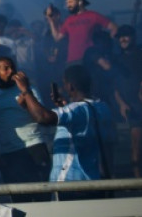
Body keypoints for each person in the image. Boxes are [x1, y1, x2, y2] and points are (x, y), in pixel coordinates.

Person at [14, 65, 112, 199]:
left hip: (71, 184)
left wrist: (26, 91)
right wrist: (62, 107)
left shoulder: (77, 109)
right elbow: (79, 125)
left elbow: (42, 117)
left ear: (70, 86)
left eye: (64, 83)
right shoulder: (101, 106)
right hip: (92, 180)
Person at [0, 57, 51, 201]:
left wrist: (26, 98)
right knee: (19, 199)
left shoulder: (29, 91)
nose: (10, 71)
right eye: (5, 68)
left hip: (35, 146)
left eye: (12, 67)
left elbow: (42, 117)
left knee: (42, 196)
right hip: (10, 154)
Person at [111, 25, 142, 178]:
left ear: (134, 36)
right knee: (136, 148)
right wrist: (121, 103)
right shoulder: (118, 60)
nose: (123, 39)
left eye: (126, 36)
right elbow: (115, 86)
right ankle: (139, 182)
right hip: (134, 109)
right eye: (120, 37)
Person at [45, 0, 118, 65]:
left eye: (70, 2)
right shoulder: (69, 20)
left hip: (89, 58)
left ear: (79, 2)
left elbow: (114, 27)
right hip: (72, 60)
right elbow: (57, 38)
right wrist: (51, 21)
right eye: (67, 3)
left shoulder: (92, 15)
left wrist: (107, 48)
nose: (68, 5)